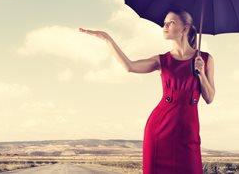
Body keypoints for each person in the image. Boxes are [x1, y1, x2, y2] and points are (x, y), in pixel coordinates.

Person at [79, 9, 216, 174]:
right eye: (164, 22)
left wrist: (200, 73)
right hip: (160, 129)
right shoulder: (162, 60)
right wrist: (107, 39)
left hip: (188, 132)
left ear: (185, 28)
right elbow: (130, 66)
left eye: (170, 22)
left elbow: (209, 98)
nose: (164, 26)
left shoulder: (205, 59)